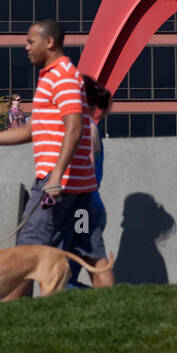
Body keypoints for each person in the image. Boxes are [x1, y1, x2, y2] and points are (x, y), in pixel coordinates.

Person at [0, 19, 97, 297]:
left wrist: (55, 176)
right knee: (92, 254)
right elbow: (31, 130)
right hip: (72, 183)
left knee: (26, 253)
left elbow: (75, 126)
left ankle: (14, 318)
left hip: (57, 182)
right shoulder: (50, 77)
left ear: (50, 42)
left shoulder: (63, 76)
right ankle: (113, 312)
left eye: (31, 41)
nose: (25, 47)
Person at [68, 76, 115, 289]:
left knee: (62, 280)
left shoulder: (86, 127)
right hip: (83, 208)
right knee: (65, 275)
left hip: (82, 210)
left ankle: (110, 307)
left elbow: (83, 168)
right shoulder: (84, 126)